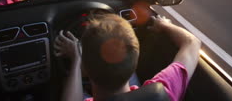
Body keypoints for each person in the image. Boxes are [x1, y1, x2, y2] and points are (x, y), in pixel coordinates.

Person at [54, 14, 201, 101]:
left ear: (85, 69)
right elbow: (192, 43)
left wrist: (76, 60)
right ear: (135, 61)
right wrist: (164, 25)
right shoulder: (162, 92)